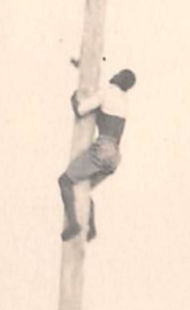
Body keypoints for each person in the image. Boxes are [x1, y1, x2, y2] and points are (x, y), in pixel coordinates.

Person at [58, 67, 137, 242]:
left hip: (103, 149)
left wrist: (73, 98)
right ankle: (91, 227)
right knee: (83, 188)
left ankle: (73, 223)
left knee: (65, 181)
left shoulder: (106, 93)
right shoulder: (123, 101)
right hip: (115, 156)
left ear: (118, 78)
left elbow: (80, 110)